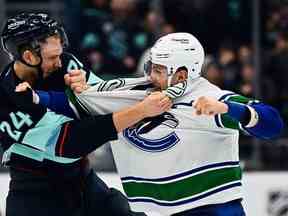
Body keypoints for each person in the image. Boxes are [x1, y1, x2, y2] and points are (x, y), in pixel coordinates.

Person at [21, 33, 283, 216]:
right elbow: (77, 103)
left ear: (181, 73)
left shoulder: (211, 99)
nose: (150, 75)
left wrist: (229, 109)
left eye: (158, 69)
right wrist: (34, 96)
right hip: (155, 211)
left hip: (212, 210)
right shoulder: (140, 91)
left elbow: (273, 124)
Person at [0, 13, 172, 216]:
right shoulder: (6, 102)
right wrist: (140, 111)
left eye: (60, 54)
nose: (59, 62)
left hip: (83, 181)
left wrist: (91, 92)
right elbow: (73, 141)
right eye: (53, 57)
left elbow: (107, 98)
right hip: (37, 197)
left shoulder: (65, 62)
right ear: (29, 56)